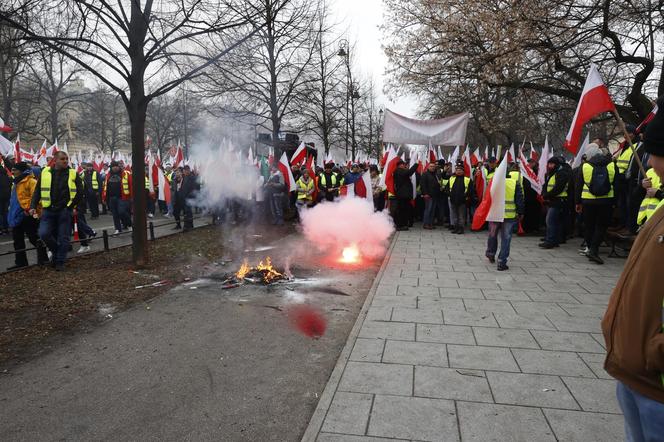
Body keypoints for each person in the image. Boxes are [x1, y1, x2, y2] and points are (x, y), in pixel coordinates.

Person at [602, 97, 664, 442]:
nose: (650, 163)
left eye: (656, 153)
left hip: (655, 381)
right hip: (634, 373)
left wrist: (654, 352)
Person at [29, 151, 83, 271]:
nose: (65, 161)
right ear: (55, 160)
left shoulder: (73, 173)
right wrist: (32, 205)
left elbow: (80, 192)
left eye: (66, 159)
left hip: (64, 211)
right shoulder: (45, 172)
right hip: (48, 210)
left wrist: (72, 206)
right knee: (44, 233)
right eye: (62, 159)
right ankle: (57, 251)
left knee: (64, 238)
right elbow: (38, 191)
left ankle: (60, 262)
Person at [574, 143, 618, 264]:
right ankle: (594, 249)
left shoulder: (585, 166)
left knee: (589, 225)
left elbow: (578, 186)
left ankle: (590, 249)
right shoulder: (612, 165)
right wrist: (615, 202)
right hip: (606, 201)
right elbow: (617, 186)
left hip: (588, 201)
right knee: (602, 226)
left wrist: (577, 202)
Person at [7, 162, 48, 270]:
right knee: (17, 239)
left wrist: (28, 210)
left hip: (29, 214)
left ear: (21, 170)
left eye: (15, 169)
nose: (12, 172)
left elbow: (36, 198)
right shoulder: (15, 183)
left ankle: (43, 258)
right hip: (17, 215)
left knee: (33, 237)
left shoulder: (31, 181)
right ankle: (21, 262)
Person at [485, 167, 524, 271]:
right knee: (506, 239)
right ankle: (502, 262)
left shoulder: (493, 182)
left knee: (492, 235)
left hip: (494, 214)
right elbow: (519, 198)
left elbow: (487, 198)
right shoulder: (514, 183)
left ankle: (490, 253)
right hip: (509, 216)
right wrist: (520, 212)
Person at [540, 156, 571, 248]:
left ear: (556, 164)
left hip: (559, 200)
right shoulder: (553, 173)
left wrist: (547, 195)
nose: (550, 166)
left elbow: (558, 188)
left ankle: (550, 241)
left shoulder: (561, 173)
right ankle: (553, 240)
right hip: (553, 200)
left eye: (552, 164)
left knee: (550, 221)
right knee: (553, 221)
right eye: (549, 164)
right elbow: (546, 185)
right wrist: (544, 193)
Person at [102, 161, 132, 235]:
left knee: (121, 212)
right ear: (111, 167)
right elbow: (105, 187)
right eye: (113, 166)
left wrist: (131, 197)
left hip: (122, 197)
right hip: (112, 198)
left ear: (119, 166)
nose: (115, 167)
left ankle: (130, 224)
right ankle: (118, 229)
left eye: (116, 166)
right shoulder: (108, 175)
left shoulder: (126, 173)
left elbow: (131, 185)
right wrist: (104, 198)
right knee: (115, 215)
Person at [393, 159, 419, 231]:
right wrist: (416, 164)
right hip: (402, 195)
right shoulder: (399, 171)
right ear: (400, 165)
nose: (405, 166)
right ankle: (400, 225)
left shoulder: (399, 171)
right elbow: (409, 172)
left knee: (404, 210)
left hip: (403, 194)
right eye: (404, 164)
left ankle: (403, 224)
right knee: (402, 210)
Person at [446, 162, 472, 234]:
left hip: (462, 201)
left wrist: (466, 197)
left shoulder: (468, 179)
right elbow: (447, 188)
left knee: (461, 215)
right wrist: (450, 194)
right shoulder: (451, 179)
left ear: (463, 171)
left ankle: (461, 228)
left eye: (460, 170)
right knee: (454, 215)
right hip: (453, 200)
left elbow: (470, 190)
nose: (459, 171)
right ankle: (456, 227)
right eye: (457, 170)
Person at [420, 162, 440, 229]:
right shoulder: (425, 174)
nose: (432, 167)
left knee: (432, 210)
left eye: (434, 166)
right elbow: (423, 185)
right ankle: (426, 224)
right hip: (428, 195)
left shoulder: (435, 175)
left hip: (435, 195)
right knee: (428, 210)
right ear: (428, 167)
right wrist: (425, 194)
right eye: (431, 166)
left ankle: (430, 223)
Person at [0, 166, 11, 235]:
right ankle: (6, 228)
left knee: (0, 213)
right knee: (5, 212)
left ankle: (1, 228)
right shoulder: (7, 177)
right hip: (7, 197)